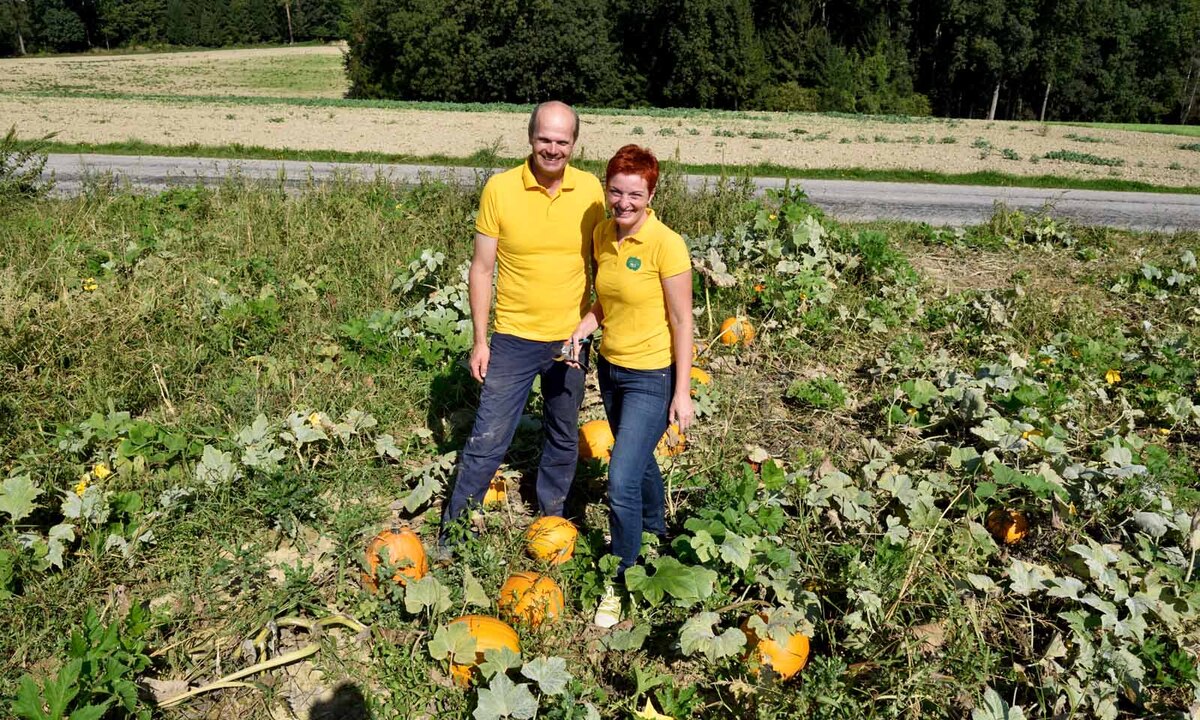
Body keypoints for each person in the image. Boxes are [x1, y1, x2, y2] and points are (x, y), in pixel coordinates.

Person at [438, 101, 606, 551]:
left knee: (562, 431)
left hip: (569, 338)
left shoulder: (591, 191)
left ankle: (552, 522)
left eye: (562, 141)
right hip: (512, 337)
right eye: (545, 139)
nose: (553, 149)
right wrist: (479, 340)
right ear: (530, 137)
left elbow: (603, 261)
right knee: (488, 436)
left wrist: (596, 323)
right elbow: (481, 268)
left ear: (575, 143)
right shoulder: (501, 188)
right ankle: (452, 534)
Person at [566, 144, 694, 627]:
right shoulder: (602, 234)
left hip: (652, 376)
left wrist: (681, 392)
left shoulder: (667, 244)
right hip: (611, 369)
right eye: (615, 191)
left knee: (619, 480)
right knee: (635, 461)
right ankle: (657, 530)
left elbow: (683, 321)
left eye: (634, 194)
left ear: (651, 193)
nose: (623, 202)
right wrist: (584, 325)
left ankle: (622, 576)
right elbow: (609, 299)